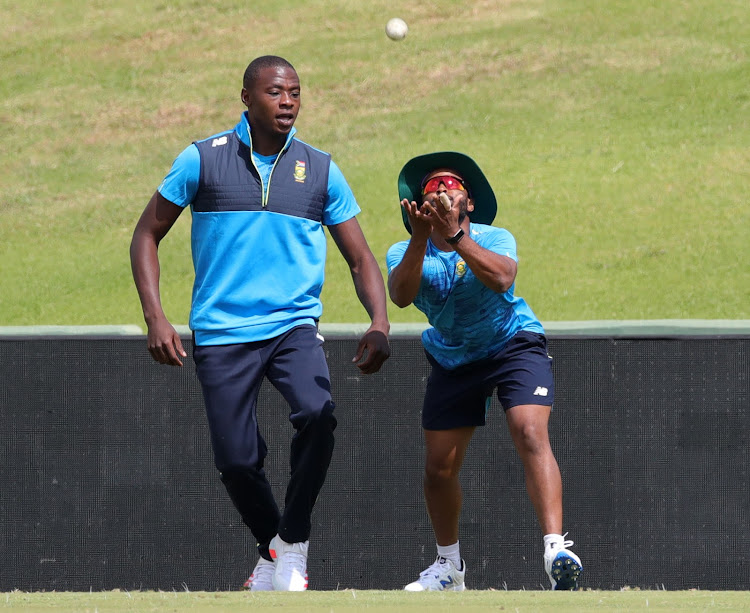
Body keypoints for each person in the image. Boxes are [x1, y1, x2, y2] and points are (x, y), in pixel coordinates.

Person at [130, 55, 390, 592]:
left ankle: (292, 545)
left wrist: (379, 320)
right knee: (236, 460)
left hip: (293, 327)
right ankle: (272, 547)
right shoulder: (202, 159)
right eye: (275, 92)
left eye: (295, 91)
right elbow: (146, 236)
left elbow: (361, 258)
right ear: (246, 97)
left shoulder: (320, 169)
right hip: (223, 332)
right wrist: (156, 317)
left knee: (319, 413)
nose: (288, 101)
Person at [385, 151, 582, 591]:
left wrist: (455, 236)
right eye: (433, 186)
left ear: (469, 203)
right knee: (439, 468)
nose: (443, 190)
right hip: (454, 357)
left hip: (513, 342)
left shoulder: (496, 237)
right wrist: (422, 239)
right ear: (418, 205)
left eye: (453, 185)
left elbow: (501, 279)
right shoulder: (403, 251)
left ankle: (556, 549)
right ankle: (449, 568)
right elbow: (400, 296)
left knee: (529, 430)